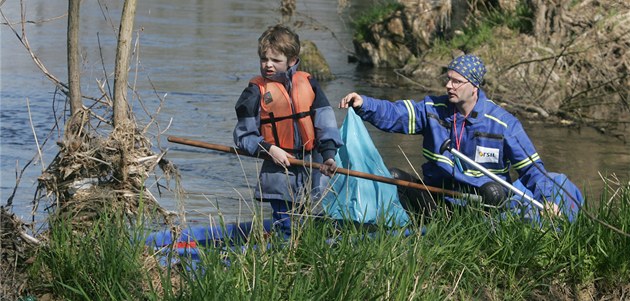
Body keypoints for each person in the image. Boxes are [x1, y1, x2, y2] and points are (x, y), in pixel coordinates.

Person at [339, 54, 564, 219]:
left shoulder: (504, 124)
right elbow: (395, 113)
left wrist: (547, 200)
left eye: (456, 81)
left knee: (493, 191)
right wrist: (364, 104)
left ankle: (478, 235)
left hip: (483, 206)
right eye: (448, 79)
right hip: (439, 199)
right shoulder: (431, 110)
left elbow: (533, 169)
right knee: (395, 176)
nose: (448, 86)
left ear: (474, 86)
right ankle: (411, 225)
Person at [234, 25, 343, 236]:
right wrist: (269, 149)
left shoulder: (308, 83)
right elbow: (243, 136)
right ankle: (283, 253)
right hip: (278, 171)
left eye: (276, 61)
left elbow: (325, 123)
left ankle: (304, 254)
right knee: (285, 224)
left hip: (311, 166)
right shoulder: (254, 92)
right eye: (264, 59)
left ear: (292, 60)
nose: (268, 65)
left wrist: (328, 155)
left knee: (309, 220)